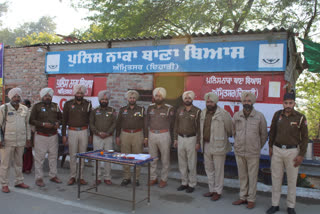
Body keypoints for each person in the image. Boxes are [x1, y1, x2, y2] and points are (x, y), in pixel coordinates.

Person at [266, 92, 308, 214]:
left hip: (292, 152)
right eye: (286, 103)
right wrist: (270, 146)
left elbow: (305, 138)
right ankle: (275, 204)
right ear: (282, 103)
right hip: (277, 150)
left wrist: (301, 154)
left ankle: (291, 206)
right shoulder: (277, 115)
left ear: (294, 103)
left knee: (291, 180)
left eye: (290, 103)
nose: (288, 105)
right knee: (276, 179)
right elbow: (272, 132)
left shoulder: (300, 117)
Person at [232, 92, 268, 209]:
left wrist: (257, 146)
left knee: (252, 177)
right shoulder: (237, 115)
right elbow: (234, 132)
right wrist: (238, 143)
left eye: (249, 101)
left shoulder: (259, 116)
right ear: (242, 102)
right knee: (242, 176)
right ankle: (243, 197)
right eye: (245, 101)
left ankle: (251, 199)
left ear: (253, 102)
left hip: (253, 152)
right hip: (239, 151)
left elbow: (263, 135)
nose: (246, 103)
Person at [200, 92, 232, 201]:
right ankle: (211, 190)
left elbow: (229, 130)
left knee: (218, 170)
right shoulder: (203, 113)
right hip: (206, 144)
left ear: (215, 102)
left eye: (211, 101)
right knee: (209, 169)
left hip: (219, 145)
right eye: (207, 101)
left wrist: (220, 138)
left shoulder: (223, 114)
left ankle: (218, 191)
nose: (209, 103)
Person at [29, 88, 63, 187]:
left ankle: (53, 175)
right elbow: (32, 120)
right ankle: (39, 178)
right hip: (41, 135)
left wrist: (58, 123)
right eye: (45, 95)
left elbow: (61, 118)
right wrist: (43, 124)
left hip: (53, 135)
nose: (47, 97)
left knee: (53, 156)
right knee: (39, 158)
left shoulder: (55, 106)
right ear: (42, 96)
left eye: (49, 96)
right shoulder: (37, 107)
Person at [0, 88, 31, 193]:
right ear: (10, 97)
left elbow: (27, 125)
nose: (16, 98)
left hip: (21, 140)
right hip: (7, 141)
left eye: (18, 97)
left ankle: (19, 181)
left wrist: (28, 138)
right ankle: (4, 184)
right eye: (14, 96)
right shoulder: (3, 109)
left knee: (19, 163)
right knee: (5, 164)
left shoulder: (24, 109)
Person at [62, 84, 92, 185]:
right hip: (72, 131)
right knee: (73, 155)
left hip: (83, 131)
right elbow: (64, 120)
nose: (79, 94)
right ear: (74, 93)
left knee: (82, 154)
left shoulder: (88, 104)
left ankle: (81, 177)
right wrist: (63, 135)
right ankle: (72, 176)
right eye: (78, 92)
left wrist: (90, 134)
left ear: (84, 94)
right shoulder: (68, 104)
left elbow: (90, 120)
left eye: (81, 93)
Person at [145, 87, 175, 188]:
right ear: (154, 96)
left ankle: (163, 179)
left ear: (163, 96)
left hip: (164, 134)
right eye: (156, 95)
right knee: (152, 158)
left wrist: (172, 138)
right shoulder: (150, 107)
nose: (158, 97)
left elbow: (172, 124)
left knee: (165, 158)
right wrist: (146, 136)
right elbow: (146, 122)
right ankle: (153, 178)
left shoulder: (169, 108)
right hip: (152, 134)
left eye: (160, 95)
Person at [116, 90, 145, 186]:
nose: (132, 99)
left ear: (136, 99)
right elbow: (118, 124)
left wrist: (146, 137)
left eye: (133, 98)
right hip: (125, 134)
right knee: (125, 156)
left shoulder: (141, 109)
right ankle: (126, 177)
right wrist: (117, 136)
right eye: (130, 98)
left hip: (137, 134)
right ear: (127, 99)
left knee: (137, 156)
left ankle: (136, 178)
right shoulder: (122, 109)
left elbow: (145, 124)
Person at [173, 91, 201, 193]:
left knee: (191, 162)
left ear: (192, 99)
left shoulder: (197, 111)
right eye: (186, 98)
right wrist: (175, 139)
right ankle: (184, 182)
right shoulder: (179, 110)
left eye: (189, 98)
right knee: (182, 162)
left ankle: (192, 184)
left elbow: (199, 129)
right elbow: (176, 125)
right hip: (180, 138)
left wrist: (198, 142)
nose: (187, 99)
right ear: (183, 99)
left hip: (192, 139)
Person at [89, 90, 116, 185]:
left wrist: (108, 133)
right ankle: (97, 177)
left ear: (108, 100)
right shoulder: (94, 111)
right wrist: (97, 132)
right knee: (97, 157)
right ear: (99, 100)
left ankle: (107, 177)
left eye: (106, 99)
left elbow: (114, 123)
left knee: (108, 157)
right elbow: (91, 124)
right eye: (102, 99)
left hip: (108, 138)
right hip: (97, 137)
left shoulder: (112, 111)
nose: (104, 101)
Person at [22, 99, 33, 174]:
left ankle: (28, 168)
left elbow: (31, 125)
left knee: (28, 152)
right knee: (22, 153)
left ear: (28, 105)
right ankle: (23, 167)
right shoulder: (20, 112)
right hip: (21, 134)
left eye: (24, 104)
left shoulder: (30, 113)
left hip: (29, 134)